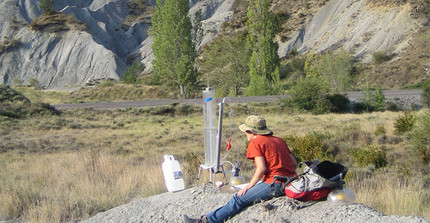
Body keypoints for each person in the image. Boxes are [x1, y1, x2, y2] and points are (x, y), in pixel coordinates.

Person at [184, 115, 297, 223]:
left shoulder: (256, 142)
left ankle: (206, 221)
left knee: (238, 199)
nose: (245, 134)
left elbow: (261, 168)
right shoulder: (279, 140)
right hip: (292, 181)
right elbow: (294, 163)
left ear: (251, 131)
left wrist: (249, 186)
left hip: (275, 184)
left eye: (246, 131)